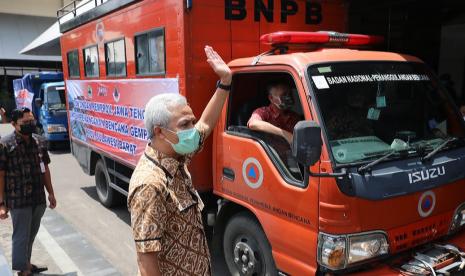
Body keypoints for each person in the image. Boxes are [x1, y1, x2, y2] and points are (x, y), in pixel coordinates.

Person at [127, 46, 231, 276]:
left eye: (191, 122)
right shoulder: (150, 185)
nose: (193, 130)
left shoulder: (177, 155)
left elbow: (205, 125)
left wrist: (225, 81)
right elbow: (146, 263)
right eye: (185, 124)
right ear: (160, 131)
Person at [0, 107, 56, 276]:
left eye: (31, 120)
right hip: (18, 199)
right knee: (21, 236)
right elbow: (0, 175)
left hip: (37, 199)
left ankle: (27, 263)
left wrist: (51, 193)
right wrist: (1, 203)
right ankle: (23, 270)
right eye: (25, 122)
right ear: (13, 124)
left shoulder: (39, 141)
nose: (30, 124)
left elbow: (44, 169)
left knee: (31, 235)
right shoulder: (5, 144)